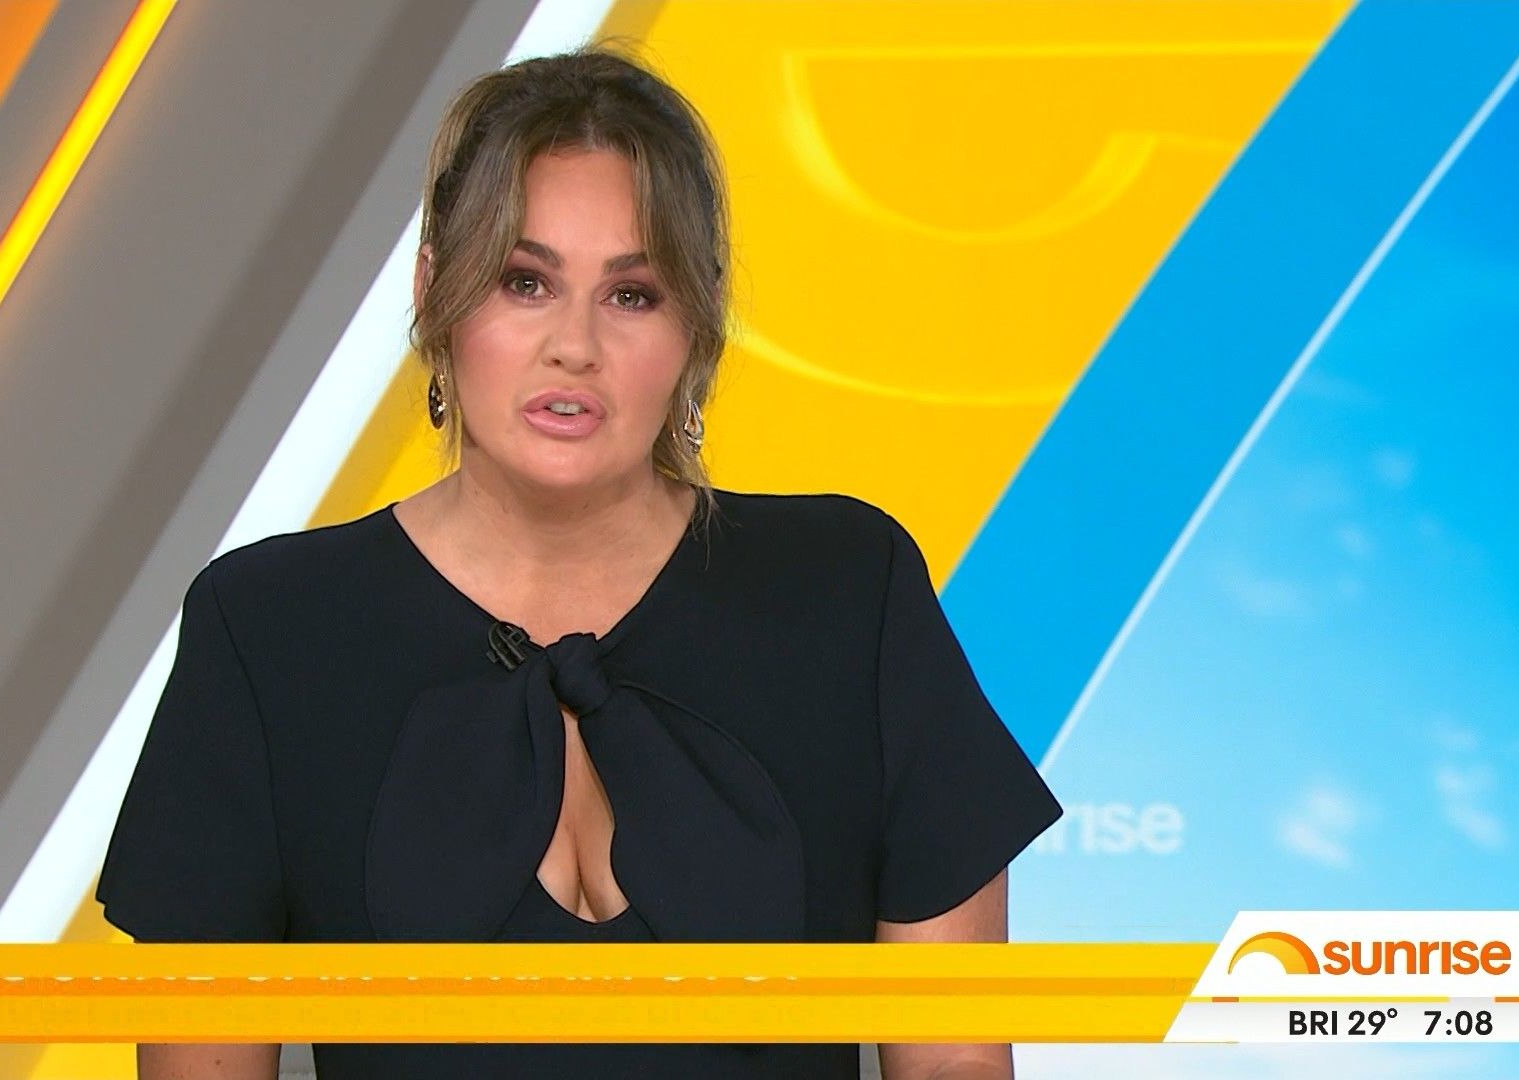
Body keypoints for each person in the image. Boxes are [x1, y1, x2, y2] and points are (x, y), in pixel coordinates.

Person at [96, 42, 1064, 1080]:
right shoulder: (270, 627)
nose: (575, 345)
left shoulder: (847, 591)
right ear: (434, 290)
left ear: (699, 321)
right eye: (524, 281)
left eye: (632, 294)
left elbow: (956, 1060)